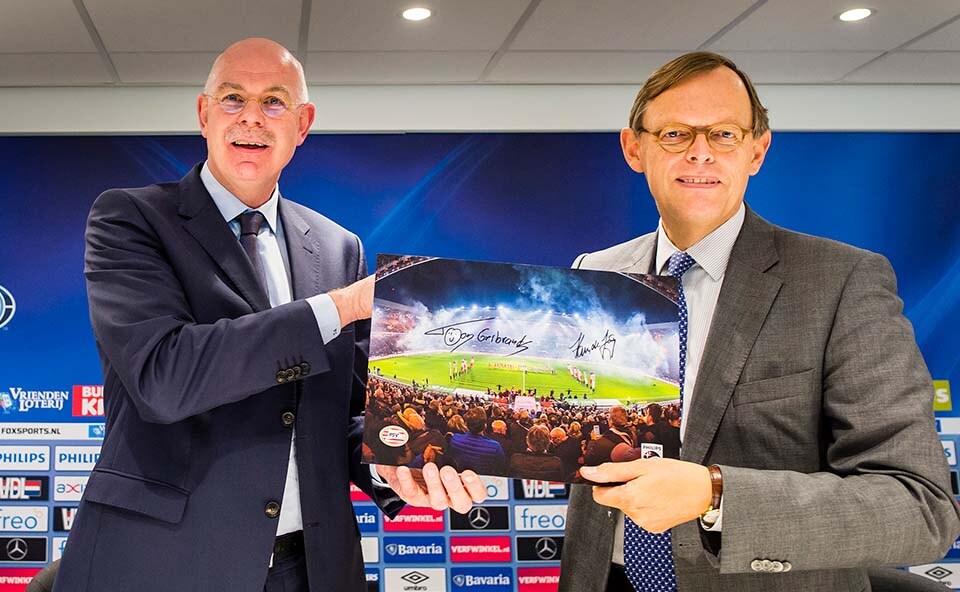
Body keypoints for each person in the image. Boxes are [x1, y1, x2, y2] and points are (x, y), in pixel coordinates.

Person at [54, 38, 484, 592]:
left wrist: (393, 463)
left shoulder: (338, 247)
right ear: (204, 114)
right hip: (165, 562)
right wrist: (340, 307)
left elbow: (348, 412)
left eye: (274, 101)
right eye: (233, 98)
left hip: (311, 567)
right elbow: (164, 377)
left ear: (302, 124)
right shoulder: (131, 218)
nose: (252, 117)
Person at [559, 51, 960, 592]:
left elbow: (918, 506)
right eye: (675, 134)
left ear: (757, 150)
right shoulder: (594, 272)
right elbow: (570, 441)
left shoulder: (841, 281)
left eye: (724, 134)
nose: (701, 152)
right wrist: (451, 460)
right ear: (635, 148)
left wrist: (714, 494)